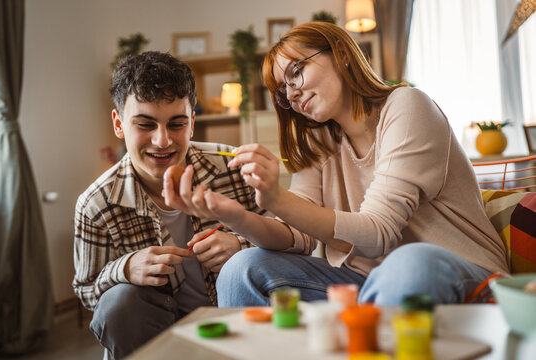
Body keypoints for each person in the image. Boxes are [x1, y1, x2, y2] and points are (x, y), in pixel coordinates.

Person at [163, 22, 509, 308]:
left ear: (341, 54)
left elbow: (378, 234)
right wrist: (236, 216)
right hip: (367, 284)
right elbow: (297, 237)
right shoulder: (319, 141)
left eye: (296, 73)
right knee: (242, 267)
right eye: (283, 91)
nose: (292, 94)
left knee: (409, 262)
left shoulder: (407, 106)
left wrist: (278, 198)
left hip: (459, 272)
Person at [72, 51, 265, 359]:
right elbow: (85, 291)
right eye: (145, 125)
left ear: (192, 124)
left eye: (176, 124)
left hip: (238, 324)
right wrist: (125, 268)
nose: (162, 141)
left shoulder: (235, 166)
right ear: (119, 124)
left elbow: (292, 244)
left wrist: (241, 245)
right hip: (154, 335)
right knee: (119, 302)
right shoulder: (96, 204)